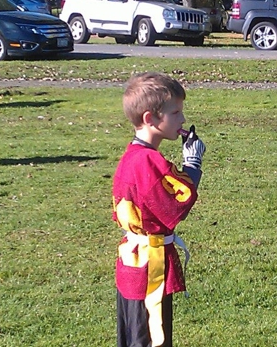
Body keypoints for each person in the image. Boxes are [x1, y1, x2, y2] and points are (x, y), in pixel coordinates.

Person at [112, 72, 206, 347]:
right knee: (151, 339)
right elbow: (178, 202)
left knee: (135, 337)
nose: (182, 119)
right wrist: (193, 163)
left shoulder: (135, 155)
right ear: (149, 119)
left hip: (134, 262)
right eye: (175, 112)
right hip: (147, 268)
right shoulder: (146, 162)